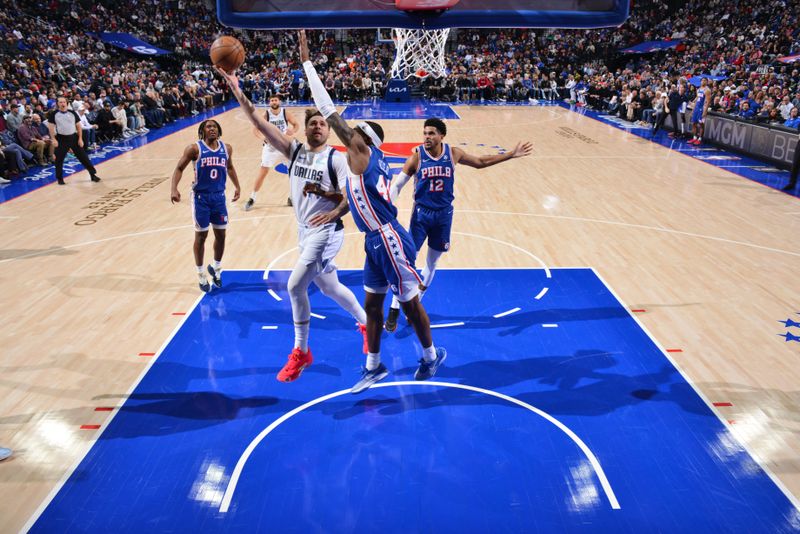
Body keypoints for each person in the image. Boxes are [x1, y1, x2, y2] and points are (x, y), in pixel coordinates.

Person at [299, 30, 446, 394]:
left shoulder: (361, 152)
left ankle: (430, 356)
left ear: (363, 141)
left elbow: (329, 111)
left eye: (355, 131)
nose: (348, 131)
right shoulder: (360, 167)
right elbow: (353, 197)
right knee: (372, 306)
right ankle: (373, 366)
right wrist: (332, 208)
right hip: (373, 240)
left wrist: (307, 63)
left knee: (409, 305)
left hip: (389, 237)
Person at [215, 66, 370, 382]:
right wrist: (236, 87)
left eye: (321, 124)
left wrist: (333, 211)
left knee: (295, 285)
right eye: (311, 123)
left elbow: (350, 196)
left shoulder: (336, 159)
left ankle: (301, 351)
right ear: (306, 130)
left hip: (327, 232)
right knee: (329, 287)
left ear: (327, 131)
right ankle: (368, 323)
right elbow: (257, 120)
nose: (317, 127)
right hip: (304, 230)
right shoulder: (293, 151)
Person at [384, 118, 533, 331]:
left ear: (442, 136)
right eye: (425, 133)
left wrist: (510, 154)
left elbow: (481, 162)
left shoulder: (453, 154)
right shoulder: (416, 158)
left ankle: (417, 302)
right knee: (407, 261)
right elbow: (398, 185)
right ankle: (395, 306)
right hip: (421, 215)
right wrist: (388, 206)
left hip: (444, 215)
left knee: (432, 262)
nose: (427, 137)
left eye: (432, 133)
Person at [170, 119, 241, 292]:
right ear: (202, 131)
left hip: (219, 197)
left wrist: (238, 186)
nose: (212, 129)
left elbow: (230, 167)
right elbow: (179, 168)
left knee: (221, 235)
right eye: (208, 127)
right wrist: (174, 188)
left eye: (215, 127)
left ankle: (216, 269)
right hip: (201, 198)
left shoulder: (227, 148)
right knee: (201, 237)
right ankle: (200, 273)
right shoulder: (194, 149)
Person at [244, 94, 299, 211]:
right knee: (263, 173)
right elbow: (255, 129)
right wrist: (263, 138)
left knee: (293, 172)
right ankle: (252, 198)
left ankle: (292, 197)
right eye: (272, 100)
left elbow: (296, 124)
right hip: (270, 148)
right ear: (269, 103)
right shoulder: (266, 114)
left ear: (279, 101)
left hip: (284, 146)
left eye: (276, 100)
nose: (274, 102)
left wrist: (292, 131)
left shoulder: (285, 113)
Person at [46, 97, 101, 185]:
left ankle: (92, 174)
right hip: (61, 138)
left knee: (84, 157)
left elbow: (78, 126)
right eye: (60, 102)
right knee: (59, 159)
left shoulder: (72, 113)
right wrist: (53, 139)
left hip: (73, 137)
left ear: (67, 103)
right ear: (57, 104)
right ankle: (60, 179)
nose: (62, 104)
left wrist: (80, 139)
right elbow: (51, 127)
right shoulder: (54, 114)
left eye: (64, 102)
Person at [688, 78, 711, 145]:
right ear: (700, 82)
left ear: (707, 82)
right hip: (696, 108)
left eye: (705, 80)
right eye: (702, 80)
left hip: (702, 109)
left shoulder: (707, 90)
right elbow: (697, 99)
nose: (703, 81)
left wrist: (705, 111)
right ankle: (694, 138)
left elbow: (708, 102)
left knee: (701, 124)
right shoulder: (698, 89)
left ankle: (700, 139)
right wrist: (693, 109)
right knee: (694, 123)